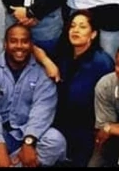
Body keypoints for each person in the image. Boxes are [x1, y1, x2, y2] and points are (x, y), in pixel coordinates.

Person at [0, 24, 67, 167]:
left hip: (28, 134)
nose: (19, 46)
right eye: (14, 41)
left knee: (56, 140)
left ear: (31, 44)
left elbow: (42, 111)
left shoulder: (44, 72)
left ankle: (3, 164)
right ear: (5, 44)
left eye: (24, 41)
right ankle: (8, 163)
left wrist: (29, 142)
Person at [47, 10, 115, 165]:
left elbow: (109, 104)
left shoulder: (102, 63)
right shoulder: (62, 52)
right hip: (58, 123)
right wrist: (47, 62)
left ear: (93, 34)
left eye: (82, 27)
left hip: (87, 129)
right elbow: (32, 45)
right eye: (72, 26)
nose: (75, 30)